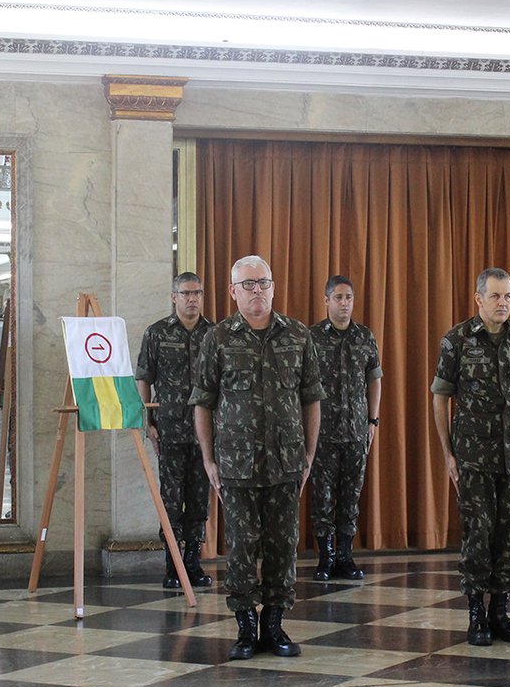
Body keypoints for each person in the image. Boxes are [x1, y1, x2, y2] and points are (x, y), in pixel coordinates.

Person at [191, 255, 324, 660]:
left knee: (283, 546)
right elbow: (203, 402)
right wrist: (209, 459)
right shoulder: (218, 338)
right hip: (237, 465)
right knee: (243, 547)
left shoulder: (298, 336)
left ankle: (275, 625)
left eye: (263, 283)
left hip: (286, 463)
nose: (257, 292)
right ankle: (246, 627)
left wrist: (309, 454)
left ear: (273, 286)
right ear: (232, 292)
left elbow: (311, 400)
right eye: (247, 285)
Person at [431, 267, 510, 647]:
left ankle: (500, 612)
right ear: (479, 299)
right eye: (495, 296)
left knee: (509, 534)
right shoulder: (457, 340)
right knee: (478, 534)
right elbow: (441, 398)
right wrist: (448, 455)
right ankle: (476, 613)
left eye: (508, 296)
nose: (502, 303)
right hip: (474, 456)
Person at [135, 272, 214, 590]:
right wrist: (147, 422)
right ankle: (173, 566)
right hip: (169, 431)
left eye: (197, 293)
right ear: (173, 297)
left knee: (198, 503)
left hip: (205, 434)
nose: (192, 298)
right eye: (185, 293)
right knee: (170, 501)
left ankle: (193, 563)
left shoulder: (215, 334)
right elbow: (144, 377)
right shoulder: (156, 333)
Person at [308, 275, 383, 582]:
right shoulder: (311, 337)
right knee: (322, 498)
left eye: (348, 298)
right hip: (322, 433)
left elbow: (374, 379)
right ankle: (325, 558)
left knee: (350, 498)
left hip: (355, 432)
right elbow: (303, 386)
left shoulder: (365, 337)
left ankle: (345, 557)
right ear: (326, 301)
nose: (344, 303)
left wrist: (373, 420)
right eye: (338, 298)